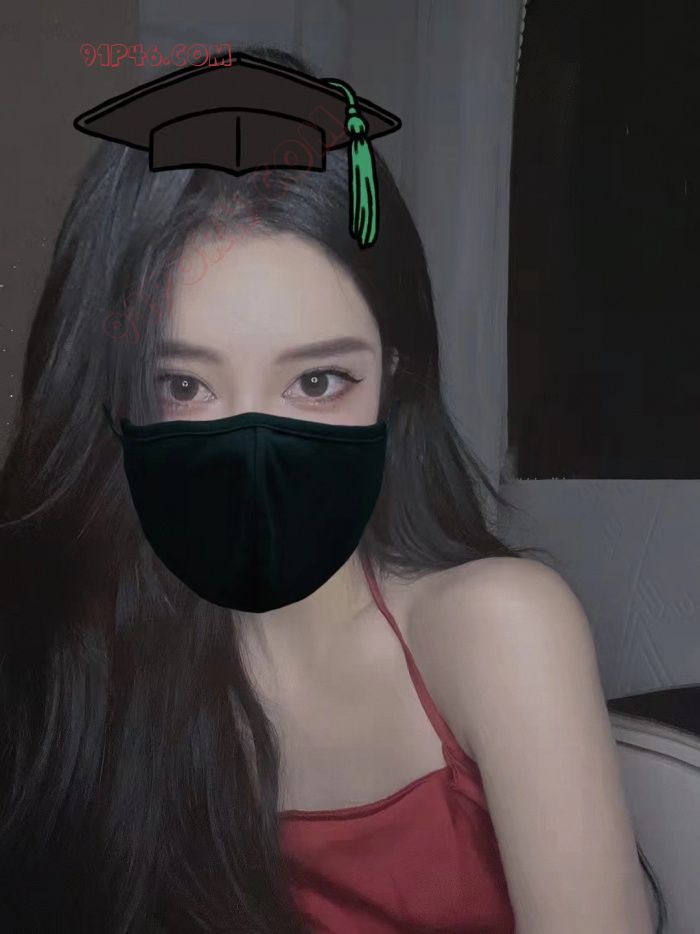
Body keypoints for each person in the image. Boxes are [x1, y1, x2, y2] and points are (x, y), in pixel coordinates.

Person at [0, 45, 664, 934]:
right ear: (108, 402)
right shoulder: (67, 664)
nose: (253, 462)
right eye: (183, 385)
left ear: (394, 378)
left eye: (316, 382)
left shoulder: (498, 630)